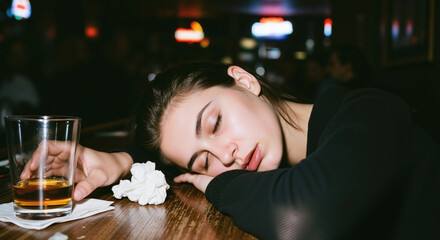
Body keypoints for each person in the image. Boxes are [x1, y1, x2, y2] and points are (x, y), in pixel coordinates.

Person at [23, 61, 439, 239]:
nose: (226, 157)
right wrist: (118, 159)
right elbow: (173, 161)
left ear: (243, 80)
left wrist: (217, 186)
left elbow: (302, 219)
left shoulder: (369, 110)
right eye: (203, 162)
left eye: (215, 123)